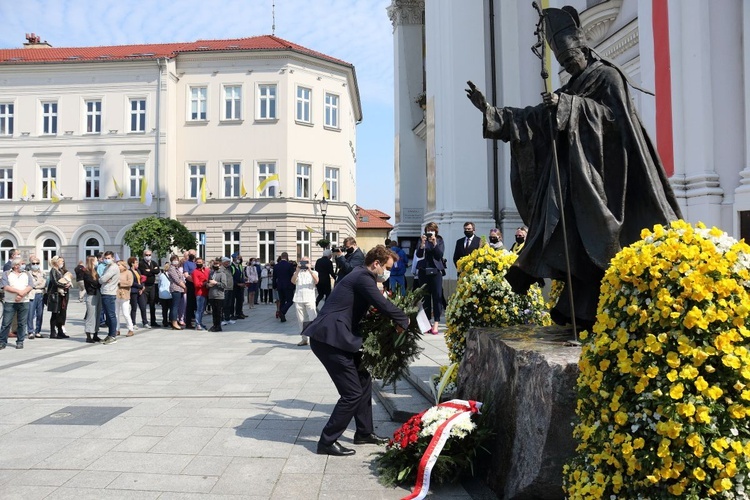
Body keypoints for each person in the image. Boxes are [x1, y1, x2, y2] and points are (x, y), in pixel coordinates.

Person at [465, 5, 681, 327]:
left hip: (606, 180)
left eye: (571, 59)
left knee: (574, 223)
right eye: (563, 63)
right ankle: (566, 301)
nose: (568, 66)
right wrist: (494, 112)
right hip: (575, 181)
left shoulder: (608, 77)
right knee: (554, 212)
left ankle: (527, 269)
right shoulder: (574, 84)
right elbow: (535, 118)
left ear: (583, 48)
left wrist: (569, 106)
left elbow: (614, 121)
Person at [307, 245, 409, 456]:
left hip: (338, 337)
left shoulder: (360, 275)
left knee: (363, 380)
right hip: (330, 339)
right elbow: (381, 303)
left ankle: (364, 432)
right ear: (376, 264)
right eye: (386, 268)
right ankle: (327, 441)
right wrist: (404, 319)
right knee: (351, 393)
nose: (386, 273)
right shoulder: (363, 277)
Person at [416, 222, 445, 335]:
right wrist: (422, 245)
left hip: (436, 271)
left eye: (432, 230)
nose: (429, 233)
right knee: (425, 297)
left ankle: (436, 322)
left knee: (437, 297)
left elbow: (439, 255)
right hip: (424, 271)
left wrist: (434, 243)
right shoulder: (422, 239)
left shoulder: (439, 240)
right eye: (428, 230)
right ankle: (427, 322)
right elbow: (418, 255)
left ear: (435, 231)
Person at [0, 257, 32, 349]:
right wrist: (19, 292)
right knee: (6, 323)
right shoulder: (7, 274)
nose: (23, 265)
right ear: (16, 266)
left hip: (24, 301)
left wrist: (22, 295)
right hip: (10, 302)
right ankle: (2, 341)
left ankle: (20, 341)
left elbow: (30, 286)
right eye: (22, 264)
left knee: (22, 323)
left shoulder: (27, 274)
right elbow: (5, 286)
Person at [292, 256, 319, 346]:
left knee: (313, 318)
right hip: (298, 298)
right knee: (301, 320)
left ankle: (315, 338)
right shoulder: (297, 272)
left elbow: (316, 281)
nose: (304, 264)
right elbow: (292, 281)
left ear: (310, 263)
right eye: (302, 262)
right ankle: (304, 338)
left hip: (310, 298)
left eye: (306, 262)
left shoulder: (314, 272)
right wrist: (297, 270)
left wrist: (310, 270)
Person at [47, 256, 71, 339]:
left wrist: (67, 283)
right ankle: (52, 332)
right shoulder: (53, 270)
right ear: (56, 262)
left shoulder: (60, 271)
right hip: (55, 295)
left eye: (63, 262)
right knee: (55, 313)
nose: (62, 263)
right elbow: (55, 282)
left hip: (62, 295)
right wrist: (64, 285)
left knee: (61, 313)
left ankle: (60, 330)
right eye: (61, 261)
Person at [98, 251, 120, 344]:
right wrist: (102, 279)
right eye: (105, 258)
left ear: (113, 258)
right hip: (105, 291)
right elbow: (103, 278)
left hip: (109, 292)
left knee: (111, 315)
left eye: (108, 258)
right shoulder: (107, 267)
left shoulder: (113, 267)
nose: (107, 260)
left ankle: (113, 335)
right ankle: (110, 334)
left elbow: (102, 279)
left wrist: (102, 279)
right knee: (108, 315)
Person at [82, 255, 102, 343]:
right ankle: (88, 335)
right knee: (91, 315)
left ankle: (95, 334)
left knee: (97, 314)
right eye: (96, 260)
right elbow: (93, 282)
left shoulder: (95, 271)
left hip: (97, 293)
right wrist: (101, 281)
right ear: (92, 261)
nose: (97, 261)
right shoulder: (86, 272)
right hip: (91, 295)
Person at [138, 249, 161, 328]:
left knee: (152, 304)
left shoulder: (153, 263)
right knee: (143, 305)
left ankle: (153, 321)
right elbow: (144, 272)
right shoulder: (141, 263)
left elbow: (157, 270)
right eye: (146, 255)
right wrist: (152, 271)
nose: (148, 256)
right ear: (144, 255)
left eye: (149, 255)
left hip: (152, 285)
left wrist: (150, 270)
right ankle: (145, 321)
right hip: (145, 285)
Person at [26, 255, 46, 339]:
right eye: (33, 263)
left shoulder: (43, 273)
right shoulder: (28, 273)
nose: (35, 265)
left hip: (41, 293)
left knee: (40, 313)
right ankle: (30, 331)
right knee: (30, 313)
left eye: (37, 263)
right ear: (30, 264)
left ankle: (38, 331)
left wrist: (37, 283)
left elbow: (44, 283)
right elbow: (31, 284)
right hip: (32, 293)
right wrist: (38, 282)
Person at [207, 258, 229, 332]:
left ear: (220, 265)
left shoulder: (222, 274)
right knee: (214, 311)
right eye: (214, 265)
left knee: (218, 311)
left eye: (217, 265)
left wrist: (216, 283)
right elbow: (208, 282)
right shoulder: (211, 273)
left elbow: (224, 285)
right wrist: (208, 284)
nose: (215, 266)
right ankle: (214, 325)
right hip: (211, 294)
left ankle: (218, 326)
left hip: (219, 295)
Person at [273, 252, 294, 322]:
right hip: (288, 286)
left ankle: (282, 317)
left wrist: (274, 286)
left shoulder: (276, 266)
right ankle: (282, 312)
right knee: (290, 301)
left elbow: (274, 277)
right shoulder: (289, 265)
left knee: (282, 301)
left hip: (279, 286)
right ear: (287, 257)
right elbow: (292, 275)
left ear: (281, 257)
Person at [166, 254, 186, 330]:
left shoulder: (176, 268)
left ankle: (174, 321)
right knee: (175, 306)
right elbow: (177, 280)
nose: (176, 261)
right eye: (174, 260)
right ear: (171, 261)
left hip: (180, 289)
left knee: (175, 306)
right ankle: (174, 322)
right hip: (176, 288)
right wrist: (184, 287)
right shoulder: (171, 268)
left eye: (177, 260)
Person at [115, 260, 134, 337]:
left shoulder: (128, 273)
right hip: (116, 294)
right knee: (116, 314)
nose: (118, 266)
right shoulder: (116, 273)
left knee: (125, 313)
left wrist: (120, 282)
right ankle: (116, 329)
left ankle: (130, 329)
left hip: (124, 294)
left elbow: (130, 283)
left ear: (123, 265)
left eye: (119, 265)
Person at [127, 257, 147, 329]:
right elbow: (132, 282)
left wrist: (142, 287)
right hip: (134, 291)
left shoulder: (138, 270)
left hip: (140, 291)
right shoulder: (129, 271)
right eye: (136, 262)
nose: (137, 264)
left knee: (143, 306)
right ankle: (133, 323)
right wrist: (140, 286)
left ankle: (145, 322)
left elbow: (141, 279)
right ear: (132, 263)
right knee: (134, 307)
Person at [192, 257, 210, 330]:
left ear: (203, 262)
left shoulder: (206, 270)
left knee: (203, 309)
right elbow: (196, 284)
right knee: (199, 309)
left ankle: (200, 322)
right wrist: (205, 283)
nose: (199, 264)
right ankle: (198, 324)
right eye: (197, 262)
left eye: (200, 262)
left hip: (206, 292)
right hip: (199, 293)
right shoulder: (195, 272)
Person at [182, 250, 197, 328]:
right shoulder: (186, 263)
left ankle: (196, 321)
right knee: (190, 304)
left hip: (197, 286)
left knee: (196, 304)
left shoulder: (195, 263)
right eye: (191, 254)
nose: (192, 255)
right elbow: (186, 275)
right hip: (191, 285)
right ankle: (188, 323)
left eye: (194, 254)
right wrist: (195, 280)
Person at [230, 253, 246, 319]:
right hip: (234, 286)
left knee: (240, 300)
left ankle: (239, 313)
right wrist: (237, 284)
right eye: (238, 258)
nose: (239, 259)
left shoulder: (239, 266)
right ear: (234, 258)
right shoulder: (231, 267)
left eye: (239, 258)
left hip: (240, 286)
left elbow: (241, 275)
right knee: (232, 301)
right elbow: (231, 277)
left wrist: (243, 282)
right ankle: (232, 314)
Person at [158, 262, 172, 327]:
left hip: (162, 294)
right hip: (169, 293)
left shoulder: (161, 275)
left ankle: (165, 321)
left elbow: (159, 284)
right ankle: (170, 320)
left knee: (164, 309)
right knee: (171, 308)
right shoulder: (171, 275)